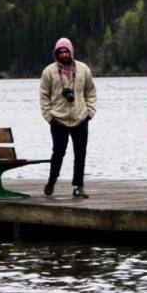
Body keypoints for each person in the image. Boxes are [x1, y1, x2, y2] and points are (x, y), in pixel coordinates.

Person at [38, 37, 95, 198]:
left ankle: (79, 186)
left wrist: (89, 112)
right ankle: (52, 179)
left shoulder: (83, 69)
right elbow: (43, 96)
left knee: (80, 153)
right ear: (56, 53)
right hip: (58, 119)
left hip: (80, 117)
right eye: (60, 52)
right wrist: (49, 116)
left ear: (71, 52)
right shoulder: (49, 71)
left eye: (66, 51)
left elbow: (91, 91)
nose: (64, 54)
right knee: (58, 152)